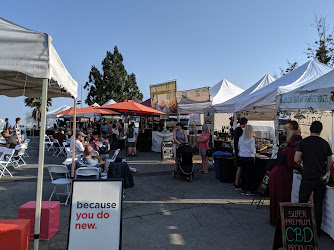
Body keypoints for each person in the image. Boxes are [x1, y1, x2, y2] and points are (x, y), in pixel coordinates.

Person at [294, 121, 333, 235]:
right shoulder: (325, 143)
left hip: (307, 176)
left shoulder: (303, 142)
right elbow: (330, 162)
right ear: (320, 130)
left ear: (310, 129)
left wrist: (303, 162)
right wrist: (324, 171)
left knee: (303, 202)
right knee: (318, 204)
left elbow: (296, 159)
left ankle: (301, 227)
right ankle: (316, 230)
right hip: (320, 178)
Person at [269, 134, 302, 225]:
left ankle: (275, 219)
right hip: (282, 175)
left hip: (277, 173)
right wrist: (300, 168)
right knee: (282, 196)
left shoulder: (285, 149)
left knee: (275, 197)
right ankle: (281, 220)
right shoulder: (291, 151)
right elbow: (290, 164)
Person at [238, 124, 255, 196]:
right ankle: (248, 189)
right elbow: (251, 150)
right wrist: (254, 151)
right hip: (249, 156)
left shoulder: (241, 138)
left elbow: (239, 147)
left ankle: (243, 188)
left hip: (241, 156)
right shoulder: (251, 139)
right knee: (249, 174)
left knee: (243, 173)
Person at [233, 117, 248, 190]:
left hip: (236, 150)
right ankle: (236, 183)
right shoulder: (240, 131)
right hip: (239, 151)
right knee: (239, 167)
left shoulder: (236, 129)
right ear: (245, 123)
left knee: (238, 167)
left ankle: (236, 182)